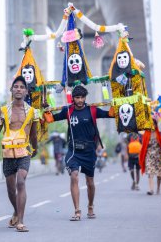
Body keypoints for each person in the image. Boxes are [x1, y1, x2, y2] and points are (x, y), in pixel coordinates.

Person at [0, 76, 38, 232]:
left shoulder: (32, 112)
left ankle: (21, 222)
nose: (18, 89)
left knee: (21, 183)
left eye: (21, 87)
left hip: (24, 152)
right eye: (15, 87)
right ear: (11, 90)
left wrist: (34, 149)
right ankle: (16, 211)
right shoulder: (3, 111)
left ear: (26, 91)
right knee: (11, 190)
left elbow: (34, 135)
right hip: (8, 154)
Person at [44, 85, 114, 221]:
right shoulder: (68, 111)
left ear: (85, 98)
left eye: (82, 97)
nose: (80, 100)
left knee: (90, 182)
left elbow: (110, 114)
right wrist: (46, 109)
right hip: (73, 150)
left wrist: (117, 105)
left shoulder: (93, 110)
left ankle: (90, 206)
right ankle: (77, 210)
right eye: (77, 97)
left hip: (89, 151)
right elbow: (52, 118)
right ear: (73, 99)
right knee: (74, 176)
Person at [139, 120, 161, 195]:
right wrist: (147, 146)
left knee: (159, 174)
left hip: (158, 155)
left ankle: (158, 188)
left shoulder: (160, 133)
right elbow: (144, 144)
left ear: (156, 125)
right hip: (149, 155)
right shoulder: (146, 134)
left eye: (153, 124)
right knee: (150, 172)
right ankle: (151, 190)